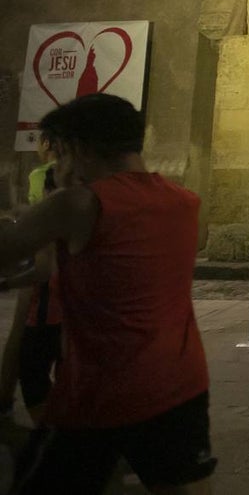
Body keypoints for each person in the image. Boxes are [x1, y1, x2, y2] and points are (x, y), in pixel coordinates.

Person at [0, 93, 215, 494]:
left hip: (97, 395)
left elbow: (7, 250)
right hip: (179, 382)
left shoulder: (80, 203)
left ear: (77, 147)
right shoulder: (185, 202)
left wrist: (48, 199)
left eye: (59, 151)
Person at [0, 166, 63, 427]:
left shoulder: (53, 221)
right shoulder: (85, 216)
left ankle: (53, 439)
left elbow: (42, 269)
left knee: (33, 377)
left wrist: (6, 284)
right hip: (72, 316)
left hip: (46, 316)